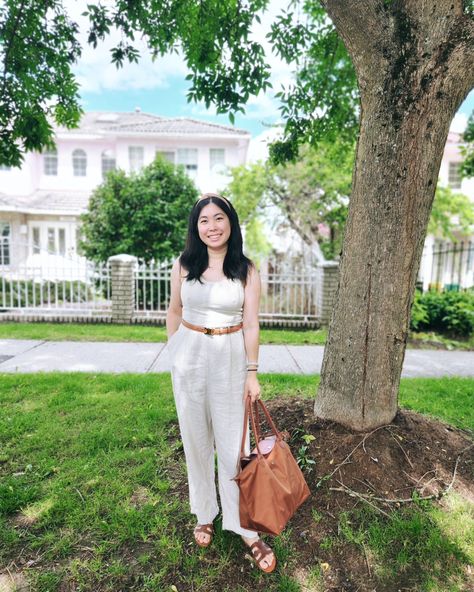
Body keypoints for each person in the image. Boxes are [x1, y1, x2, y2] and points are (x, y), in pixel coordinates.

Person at [165, 192, 276, 574]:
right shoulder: (184, 264)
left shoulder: (246, 269)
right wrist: (174, 352)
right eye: (203, 221)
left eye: (218, 219)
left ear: (231, 223)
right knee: (196, 440)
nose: (211, 227)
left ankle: (245, 527)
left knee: (234, 444)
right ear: (196, 228)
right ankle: (204, 512)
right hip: (190, 355)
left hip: (229, 355)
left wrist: (252, 372)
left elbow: (251, 323)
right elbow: (175, 311)